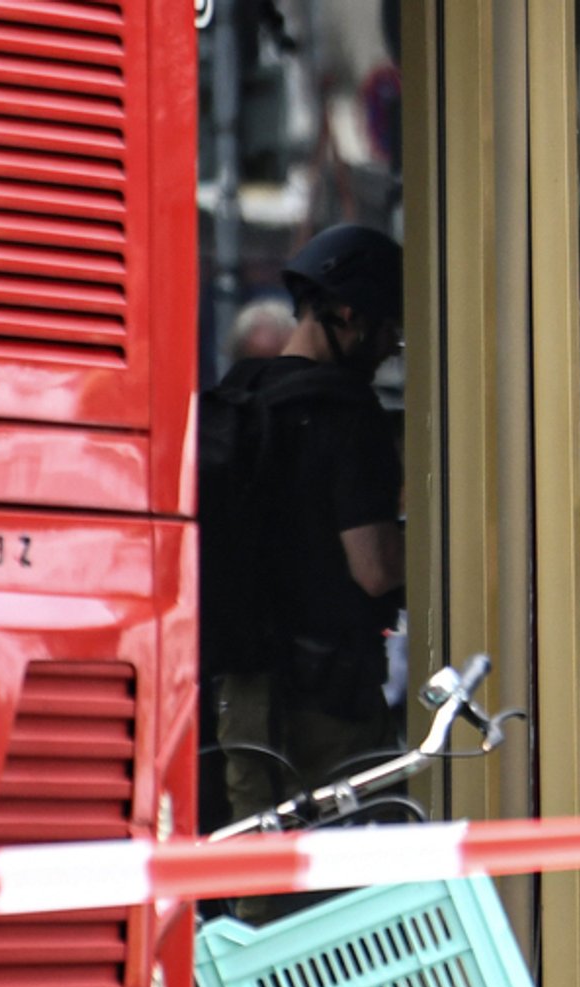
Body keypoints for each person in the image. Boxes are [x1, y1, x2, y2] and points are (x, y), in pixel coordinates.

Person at [208, 224, 406, 858]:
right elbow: (373, 568)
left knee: (256, 877)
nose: (388, 349)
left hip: (242, 690)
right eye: (385, 331)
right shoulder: (347, 414)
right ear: (347, 315)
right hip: (329, 700)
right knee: (347, 884)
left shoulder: (240, 393)